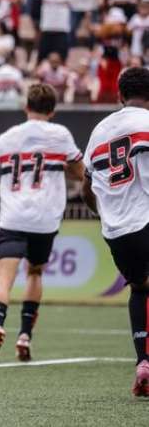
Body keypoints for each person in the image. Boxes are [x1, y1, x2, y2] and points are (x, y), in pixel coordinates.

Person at [0, 83, 84, 367]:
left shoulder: (9, 137)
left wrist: (2, 190)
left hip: (13, 217)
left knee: (3, 279)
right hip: (46, 220)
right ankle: (25, 335)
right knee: (35, 273)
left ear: (26, 107)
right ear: (53, 111)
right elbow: (81, 172)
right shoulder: (60, 135)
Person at [82, 66, 149, 397]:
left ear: (119, 95)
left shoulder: (99, 130)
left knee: (140, 288)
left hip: (116, 230)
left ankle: (144, 361)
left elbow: (85, 185)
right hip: (146, 217)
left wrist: (103, 212)